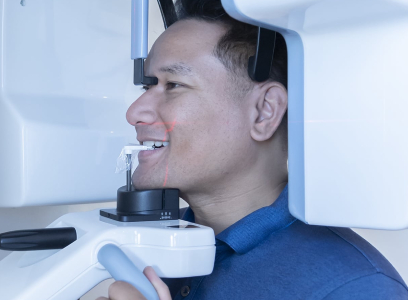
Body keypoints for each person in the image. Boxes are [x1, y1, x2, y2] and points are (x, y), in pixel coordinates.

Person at [97, 0, 408, 299]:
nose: (134, 113)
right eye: (148, 86)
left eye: (173, 85)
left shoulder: (355, 289)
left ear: (264, 111)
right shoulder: (152, 248)